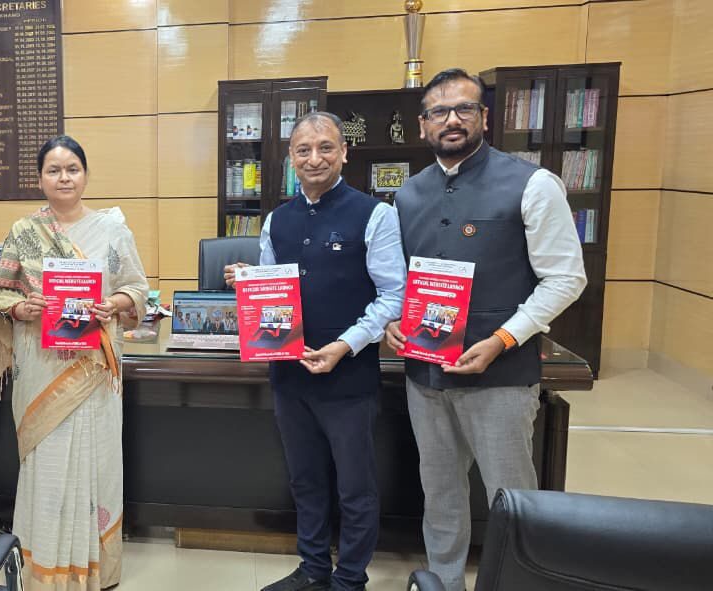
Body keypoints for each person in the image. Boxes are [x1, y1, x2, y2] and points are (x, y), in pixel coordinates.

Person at [385, 68, 586, 591]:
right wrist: (393, 320)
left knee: (512, 498)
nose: (451, 120)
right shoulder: (407, 195)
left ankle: (520, 584)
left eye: (464, 109)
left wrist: (503, 339)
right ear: (423, 124)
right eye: (438, 112)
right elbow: (401, 280)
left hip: (501, 377)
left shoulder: (533, 184)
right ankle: (443, 582)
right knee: (440, 494)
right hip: (425, 377)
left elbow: (566, 278)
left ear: (484, 117)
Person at [224, 111, 405, 591]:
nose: (314, 158)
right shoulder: (277, 220)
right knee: (305, 480)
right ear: (291, 158)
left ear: (344, 152)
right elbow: (271, 290)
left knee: (355, 487)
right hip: (289, 376)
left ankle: (350, 579)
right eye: (303, 150)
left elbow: (394, 295)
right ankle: (313, 569)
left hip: (349, 378)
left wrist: (345, 345)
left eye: (325, 147)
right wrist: (249, 283)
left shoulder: (375, 215)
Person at [0, 135, 149, 591]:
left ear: (85, 175)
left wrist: (113, 303)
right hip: (41, 367)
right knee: (48, 463)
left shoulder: (112, 230)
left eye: (72, 169)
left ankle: (95, 569)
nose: (64, 178)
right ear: (40, 179)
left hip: (94, 371)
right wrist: (22, 308)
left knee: (96, 462)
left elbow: (137, 288)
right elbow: (0, 295)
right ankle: (45, 568)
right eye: (53, 170)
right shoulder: (23, 231)